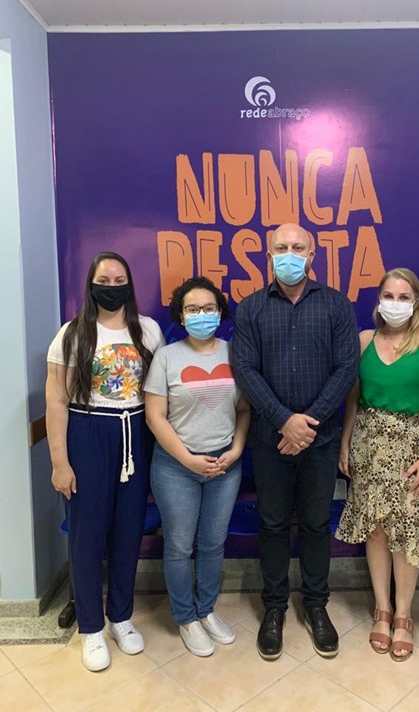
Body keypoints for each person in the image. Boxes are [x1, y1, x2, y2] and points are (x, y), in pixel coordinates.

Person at [232, 223, 359, 661]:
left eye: (298, 247)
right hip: (270, 441)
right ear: (269, 255)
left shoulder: (336, 305)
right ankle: (274, 608)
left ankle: (316, 605)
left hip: (320, 441)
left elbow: (346, 368)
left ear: (312, 254)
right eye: (281, 248)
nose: (290, 253)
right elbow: (246, 370)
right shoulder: (250, 308)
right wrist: (285, 421)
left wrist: (308, 425)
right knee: (271, 524)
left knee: (316, 524)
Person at [46, 251, 164, 672]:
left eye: (119, 281)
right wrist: (60, 462)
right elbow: (56, 401)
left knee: (128, 530)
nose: (111, 287)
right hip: (88, 432)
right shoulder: (72, 334)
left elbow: (159, 391)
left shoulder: (147, 330)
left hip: (136, 433)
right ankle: (91, 628)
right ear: (91, 285)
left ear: (129, 285)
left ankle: (120, 617)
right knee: (87, 534)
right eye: (104, 281)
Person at [335, 268, 419, 662]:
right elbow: (352, 398)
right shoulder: (363, 341)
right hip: (368, 446)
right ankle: (382, 609)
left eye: (404, 297)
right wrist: (346, 443)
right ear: (378, 300)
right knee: (376, 530)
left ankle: (403, 615)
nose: (395, 304)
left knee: (407, 533)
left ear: (416, 303)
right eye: (389, 295)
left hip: (412, 448)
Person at [145, 277, 250, 657]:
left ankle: (206, 610)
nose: (201, 315)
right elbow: (155, 416)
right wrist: (187, 458)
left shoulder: (235, 354)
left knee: (212, 543)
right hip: (176, 467)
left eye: (208, 308)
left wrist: (236, 449)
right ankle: (186, 617)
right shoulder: (167, 357)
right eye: (192, 309)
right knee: (178, 545)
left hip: (225, 465)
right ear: (181, 315)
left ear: (220, 312)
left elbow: (244, 409)